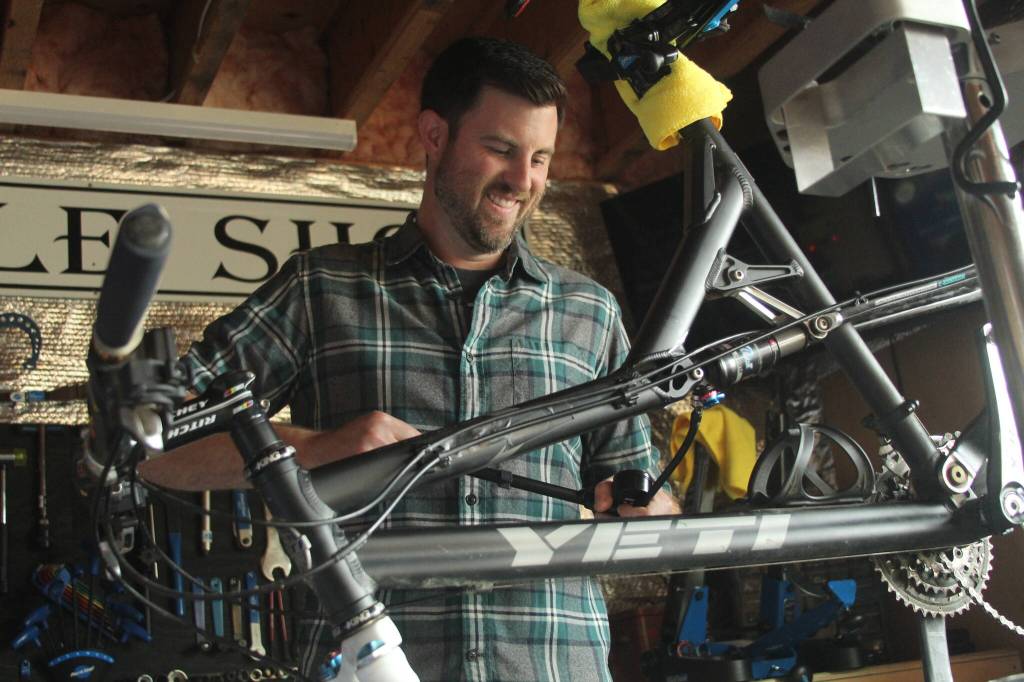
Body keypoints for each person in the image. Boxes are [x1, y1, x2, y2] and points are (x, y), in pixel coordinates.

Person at [140, 36, 678, 681]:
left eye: (540, 158)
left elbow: (643, 504)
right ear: (432, 134)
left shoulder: (590, 314)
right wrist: (310, 449)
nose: (523, 181)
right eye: (500, 149)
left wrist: (653, 511)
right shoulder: (319, 288)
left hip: (553, 665)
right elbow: (147, 449)